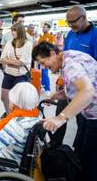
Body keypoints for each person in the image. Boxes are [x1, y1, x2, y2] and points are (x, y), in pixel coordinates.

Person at [32, 41, 97, 181]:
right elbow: (84, 84)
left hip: (95, 116)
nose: (45, 68)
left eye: (44, 62)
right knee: (81, 152)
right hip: (89, 114)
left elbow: (88, 91)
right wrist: (61, 93)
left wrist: (60, 118)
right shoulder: (68, 57)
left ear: (52, 53)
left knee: (90, 160)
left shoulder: (70, 65)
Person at [53, 5, 97, 145]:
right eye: (68, 22)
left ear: (84, 18)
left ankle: (79, 151)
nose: (71, 25)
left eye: (73, 21)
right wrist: (61, 77)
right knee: (60, 113)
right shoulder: (71, 34)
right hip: (68, 86)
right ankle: (55, 147)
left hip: (85, 89)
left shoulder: (95, 35)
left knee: (82, 122)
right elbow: (64, 58)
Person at [0, 23, 32, 117]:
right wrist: (15, 62)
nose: (13, 32)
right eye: (12, 30)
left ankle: (18, 116)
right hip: (8, 74)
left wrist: (9, 61)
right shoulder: (9, 43)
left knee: (18, 100)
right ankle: (9, 115)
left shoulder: (28, 44)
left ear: (20, 31)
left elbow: (22, 63)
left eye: (15, 30)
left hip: (21, 75)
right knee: (4, 97)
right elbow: (2, 59)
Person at [38, 23, 55, 96]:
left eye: (45, 27)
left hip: (46, 57)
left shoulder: (51, 37)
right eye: (43, 27)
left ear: (48, 29)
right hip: (39, 57)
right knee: (39, 73)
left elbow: (51, 47)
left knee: (45, 73)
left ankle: (48, 89)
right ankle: (42, 87)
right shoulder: (41, 37)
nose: (43, 28)